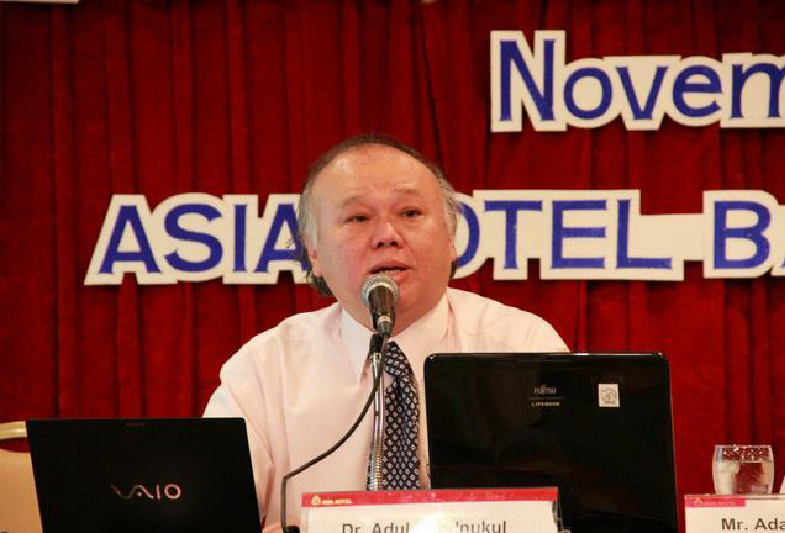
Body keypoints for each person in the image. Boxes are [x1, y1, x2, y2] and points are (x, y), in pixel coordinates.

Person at [204, 134, 568, 531]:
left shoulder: (522, 348)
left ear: (450, 239)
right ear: (314, 253)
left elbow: (569, 513)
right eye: (358, 218)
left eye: (410, 213)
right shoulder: (264, 370)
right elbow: (209, 515)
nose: (387, 235)